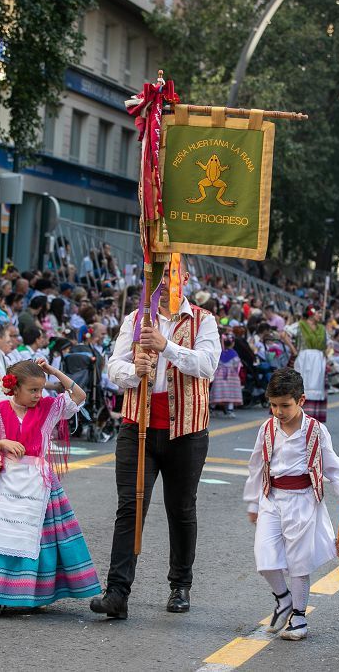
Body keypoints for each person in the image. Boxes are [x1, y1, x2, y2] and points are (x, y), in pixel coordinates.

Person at [91, 259, 220, 619]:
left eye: (173, 275)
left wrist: (166, 347)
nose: (166, 283)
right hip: (139, 424)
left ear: (186, 279)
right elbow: (113, 366)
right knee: (130, 507)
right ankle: (117, 592)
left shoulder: (202, 320)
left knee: (181, 509)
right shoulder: (136, 319)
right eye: (160, 276)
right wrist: (135, 370)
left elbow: (207, 366)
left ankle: (180, 586)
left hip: (187, 430)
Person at [0, 358, 101, 617]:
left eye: (41, 389)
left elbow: (79, 394)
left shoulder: (50, 407)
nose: (39, 395)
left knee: (37, 539)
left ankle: (34, 594)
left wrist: (51, 371)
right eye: (33, 390)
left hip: (39, 481)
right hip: (5, 481)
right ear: (15, 388)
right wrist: (2, 443)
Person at [243, 368, 339, 641]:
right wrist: (253, 502)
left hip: (303, 502)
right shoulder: (266, 429)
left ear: (302, 400)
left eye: (284, 405)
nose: (278, 411)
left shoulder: (315, 430)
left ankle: (299, 617)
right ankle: (283, 599)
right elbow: (257, 465)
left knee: (299, 563)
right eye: (273, 405)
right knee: (264, 557)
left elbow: (332, 465)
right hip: (271, 499)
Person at [282, 306, 329, 422]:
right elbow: (284, 335)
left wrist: (326, 353)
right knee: (303, 383)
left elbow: (329, 343)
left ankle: (312, 416)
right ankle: (297, 415)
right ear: (311, 313)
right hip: (304, 358)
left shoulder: (322, 328)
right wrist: (294, 350)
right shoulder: (300, 325)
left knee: (316, 385)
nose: (320, 315)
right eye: (318, 312)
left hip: (318, 359)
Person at [210, 333, 243, 417]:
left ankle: (211, 409)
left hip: (219, 375)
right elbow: (237, 364)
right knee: (230, 393)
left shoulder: (220, 353)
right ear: (233, 343)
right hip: (231, 376)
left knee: (217, 392)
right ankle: (230, 410)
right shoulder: (234, 353)